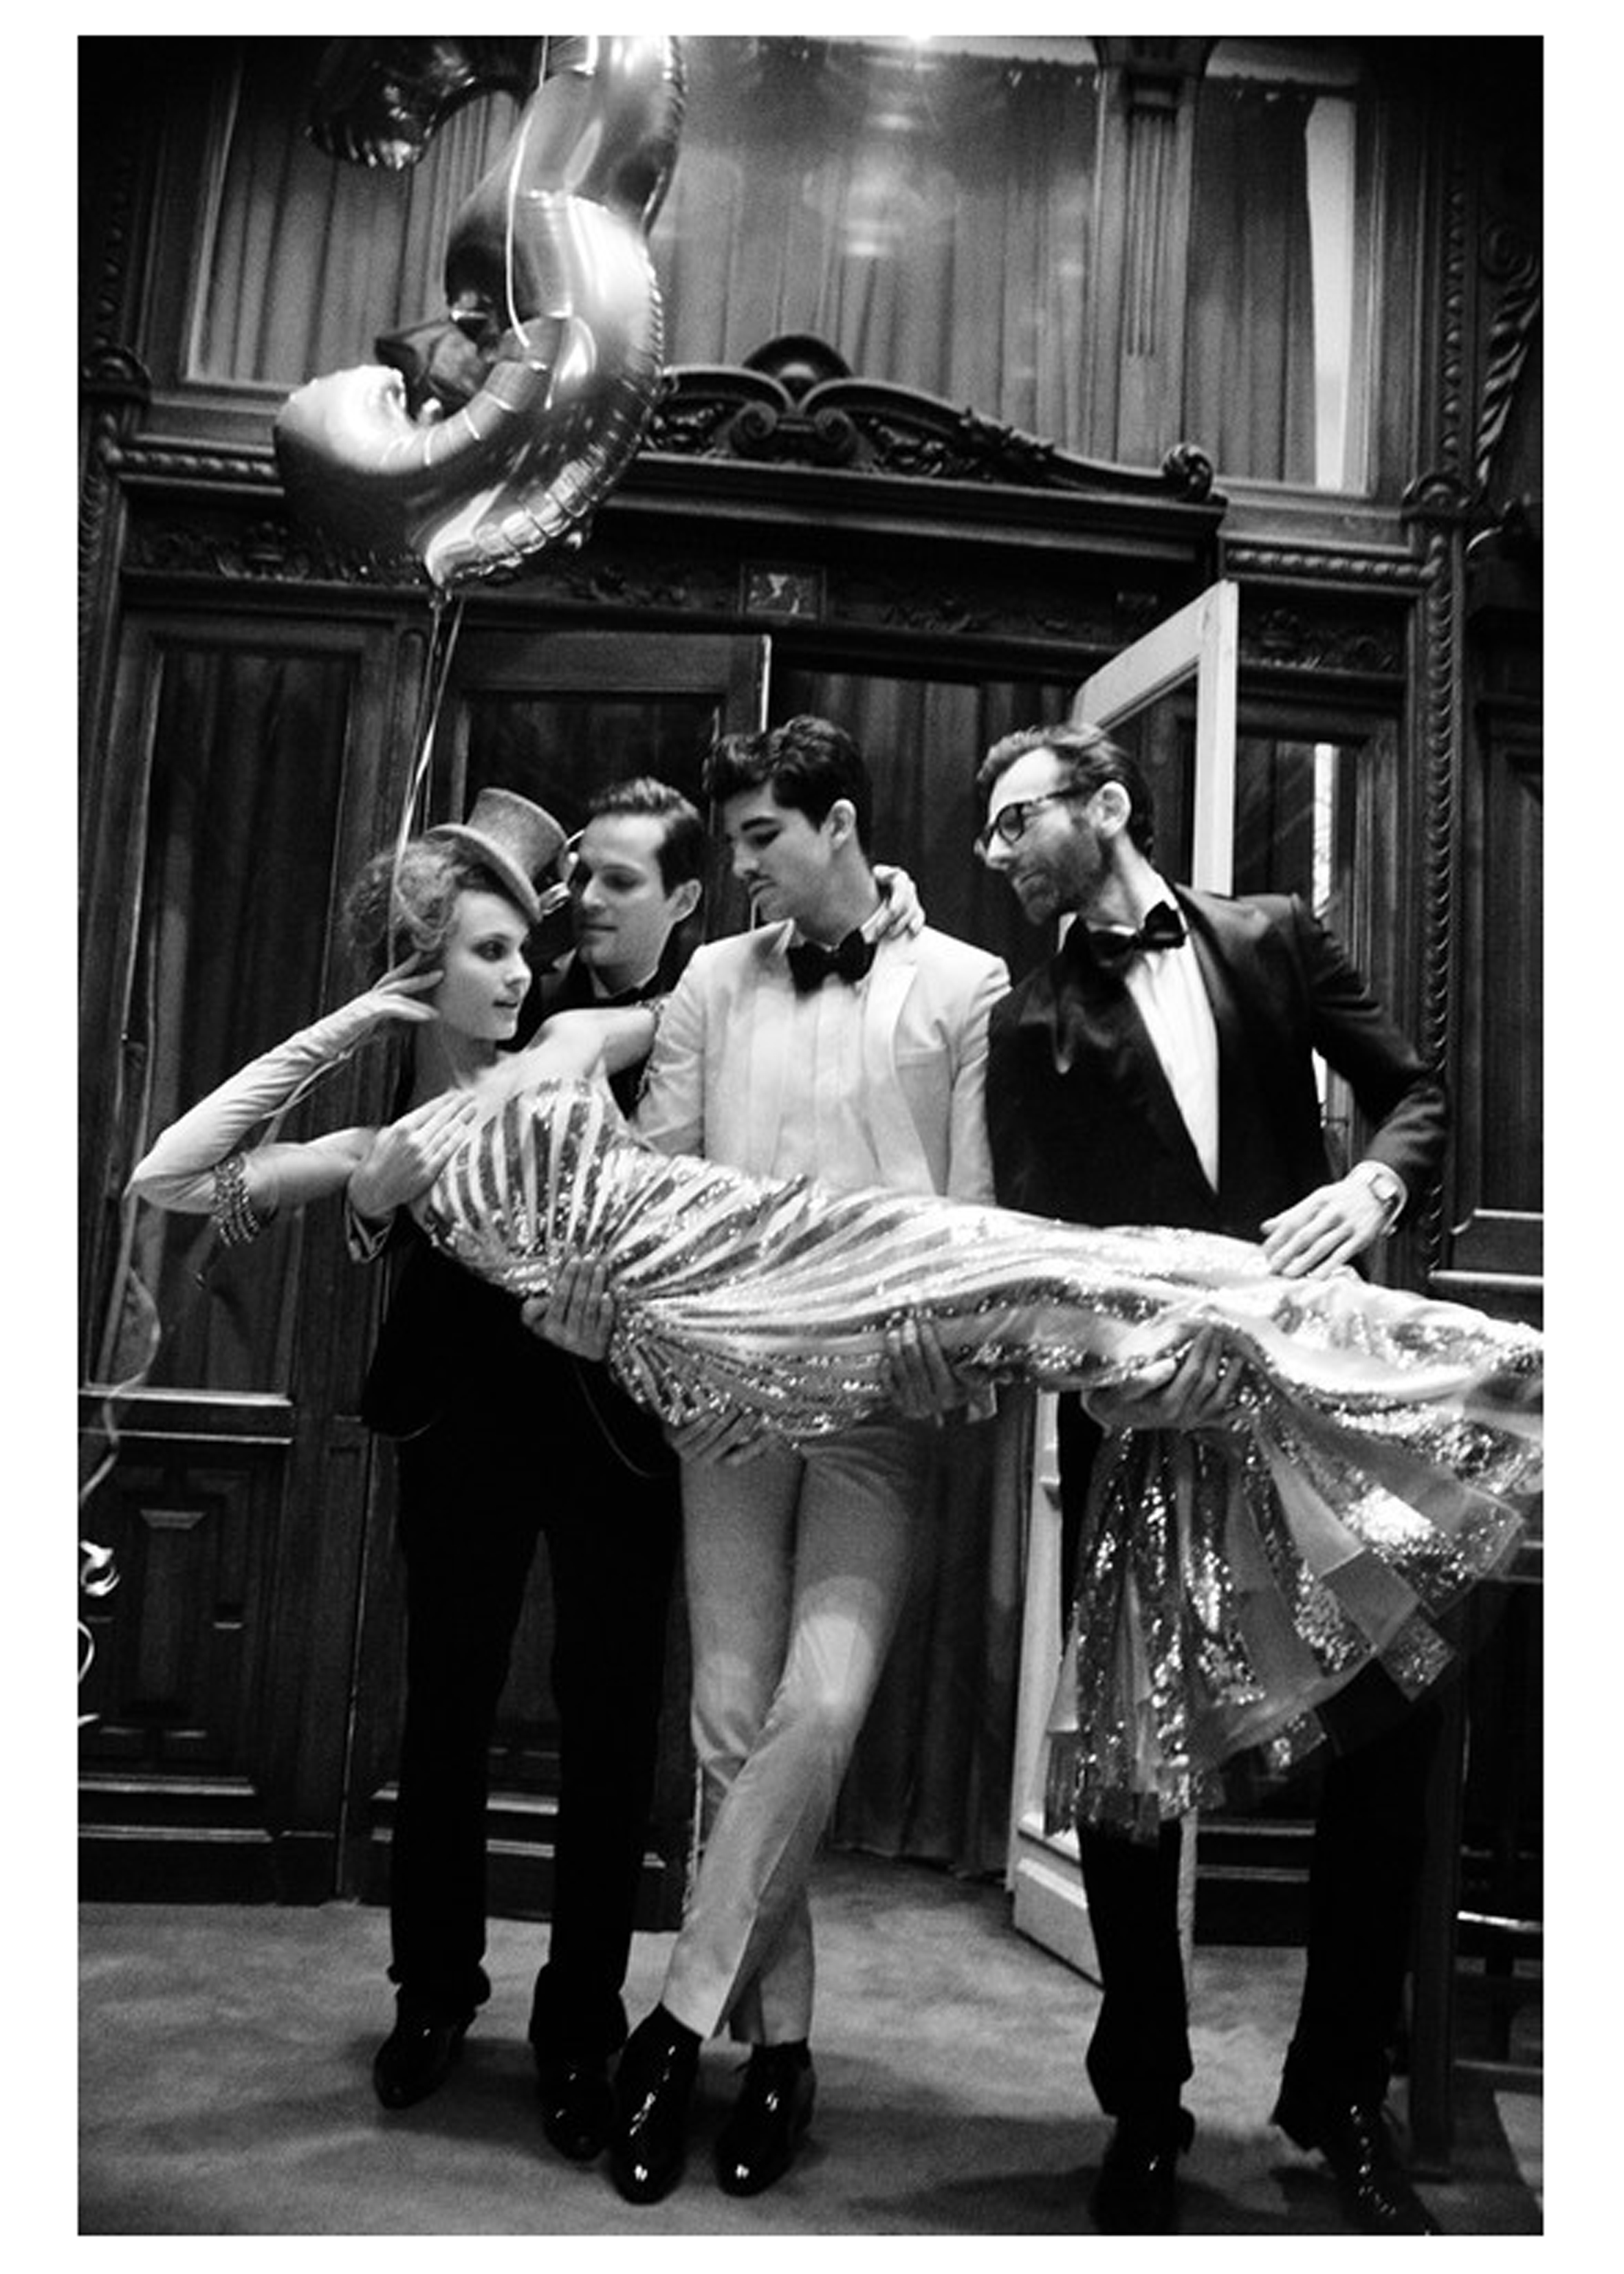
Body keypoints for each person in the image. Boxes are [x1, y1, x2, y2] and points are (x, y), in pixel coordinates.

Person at [125, 787, 678, 2163]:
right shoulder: (384, 1139)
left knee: (610, 1730)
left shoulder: (584, 1044)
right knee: (443, 1716)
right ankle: (433, 1992)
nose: (519, 972)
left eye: (521, 948)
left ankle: (581, 2024)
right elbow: (173, 1180)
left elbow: (669, 1018)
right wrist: (361, 1033)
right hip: (456, 1424)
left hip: (611, 1426)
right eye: (485, 953)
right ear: (428, 972)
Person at [972, 718, 1458, 2235]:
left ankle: (1339, 2092)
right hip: (1138, 1420)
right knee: (1132, 1774)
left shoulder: (1271, 935)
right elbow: (1040, 1254)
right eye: (987, 833)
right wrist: (1119, 1370)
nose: (994, 851)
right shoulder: (1025, 1021)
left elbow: (1414, 1092)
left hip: (1311, 1400)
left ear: (1106, 805)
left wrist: (1371, 1185)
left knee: (1387, 1720)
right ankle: (1144, 2108)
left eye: (1015, 820)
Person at [595, 714, 1012, 2205]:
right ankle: (780, 2051)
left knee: (819, 1705)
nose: (743, 868)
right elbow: (648, 1185)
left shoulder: (965, 984)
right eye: (733, 842)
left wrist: (955, 1350)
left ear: (838, 824)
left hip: (876, 1413)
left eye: (762, 837)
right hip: (722, 1397)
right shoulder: (711, 979)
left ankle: (673, 2021)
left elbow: (974, 1217)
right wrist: (663, 1342)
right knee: (726, 1719)